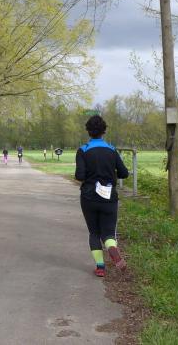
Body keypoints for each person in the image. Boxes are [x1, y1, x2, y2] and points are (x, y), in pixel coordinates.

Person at [75, 115, 129, 278]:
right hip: (109, 197)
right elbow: (124, 173)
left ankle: (100, 267)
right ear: (104, 131)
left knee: (94, 233)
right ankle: (111, 248)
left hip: (89, 197)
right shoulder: (111, 150)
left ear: (88, 131)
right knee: (108, 233)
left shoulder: (83, 150)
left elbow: (79, 175)